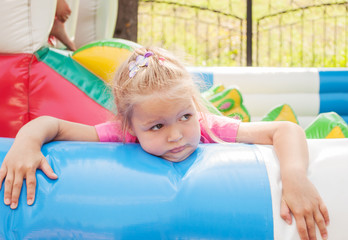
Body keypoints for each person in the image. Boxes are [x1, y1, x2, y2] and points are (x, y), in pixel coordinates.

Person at [0, 47, 329, 240]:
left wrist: (294, 176)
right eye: (156, 126)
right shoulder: (120, 134)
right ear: (130, 125)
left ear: (194, 107)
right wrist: (26, 144)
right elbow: (51, 125)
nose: (175, 135)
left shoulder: (209, 127)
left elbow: (285, 129)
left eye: (184, 116)